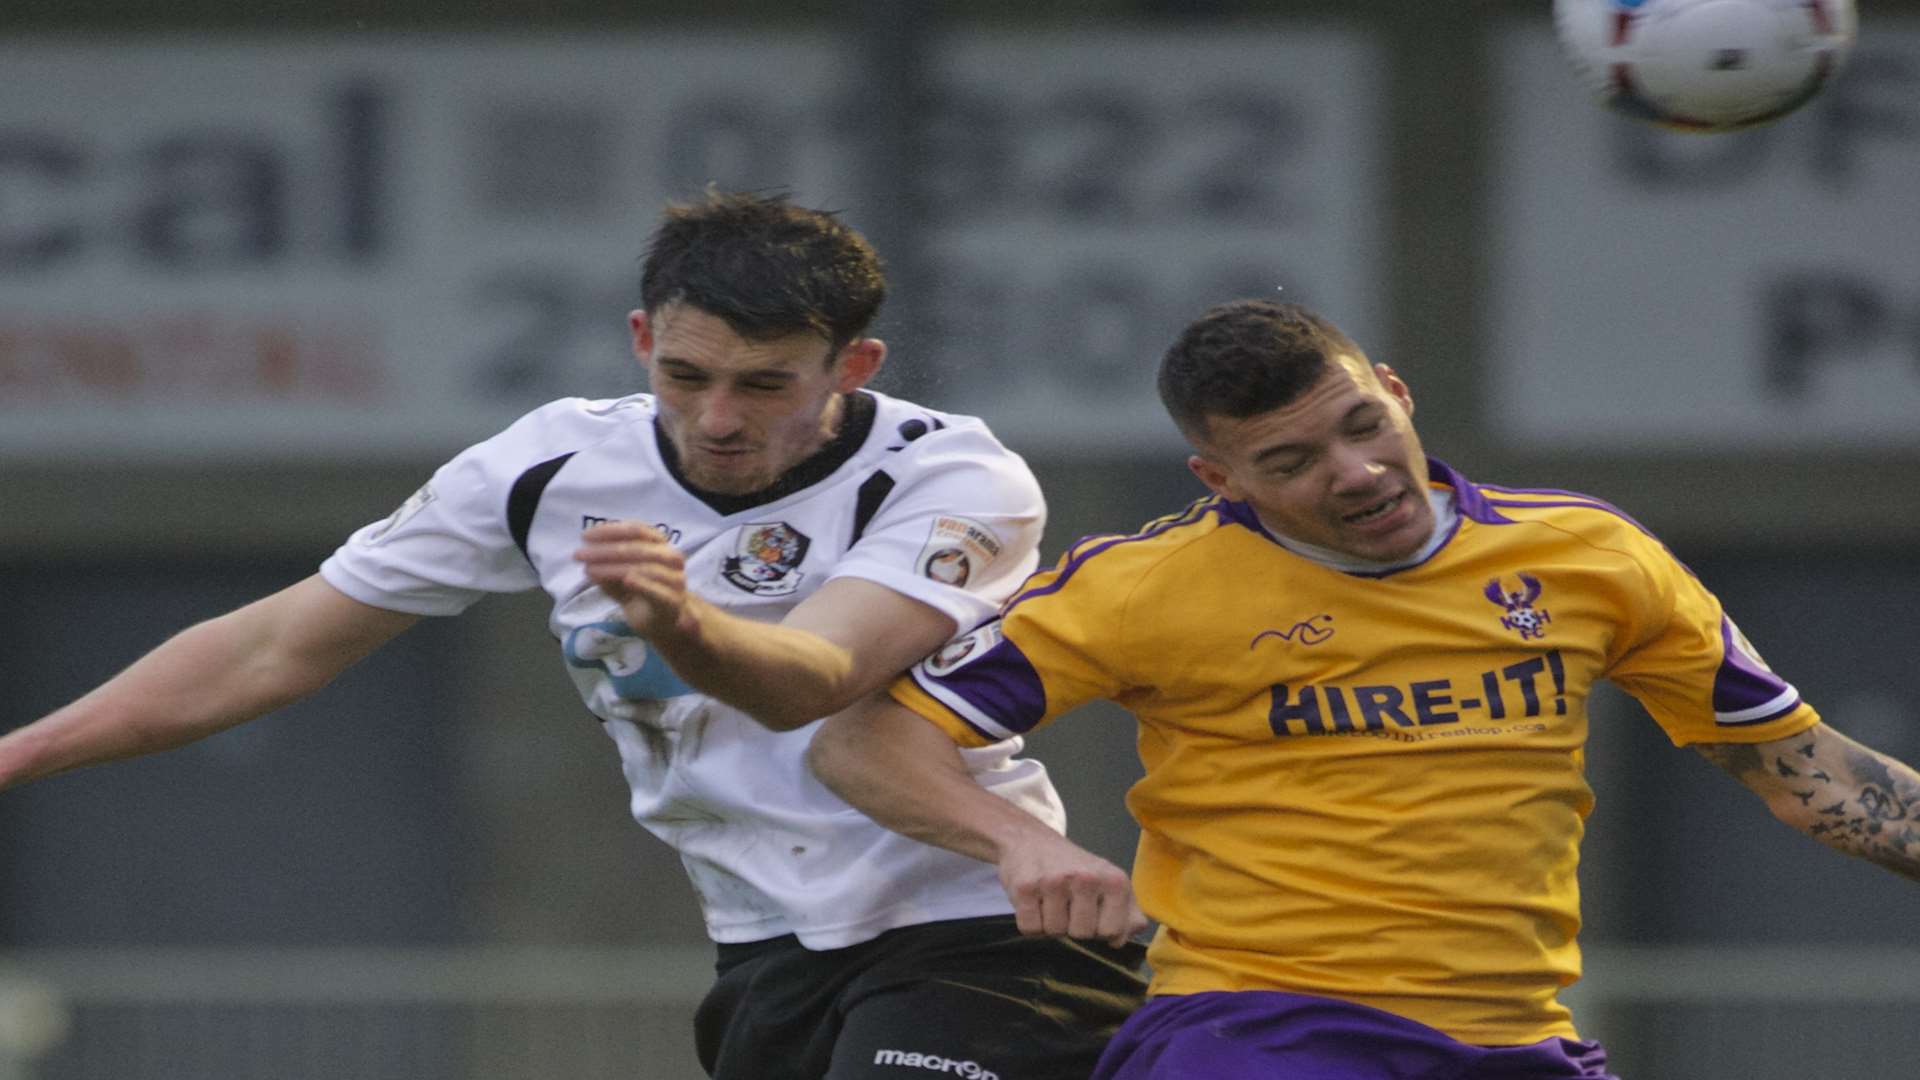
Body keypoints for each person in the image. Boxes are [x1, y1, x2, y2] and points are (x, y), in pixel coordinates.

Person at [0, 191, 1145, 1080]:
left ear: (854, 367)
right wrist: (22, 753)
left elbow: (818, 680)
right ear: (642, 337)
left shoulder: (951, 477)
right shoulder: (546, 467)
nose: (717, 419)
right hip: (764, 951)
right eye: (684, 374)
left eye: (764, 384)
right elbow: (274, 646)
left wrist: (676, 618)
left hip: (979, 931)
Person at [806, 298, 1920, 1080]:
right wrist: (1016, 841)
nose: (1357, 473)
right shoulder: (1141, 590)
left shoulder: (1594, 559)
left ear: (1393, 391)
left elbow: (1802, 770)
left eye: (1362, 425)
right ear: (1220, 478)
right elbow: (864, 740)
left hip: (1509, 1038)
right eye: (1290, 463)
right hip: (1261, 1035)